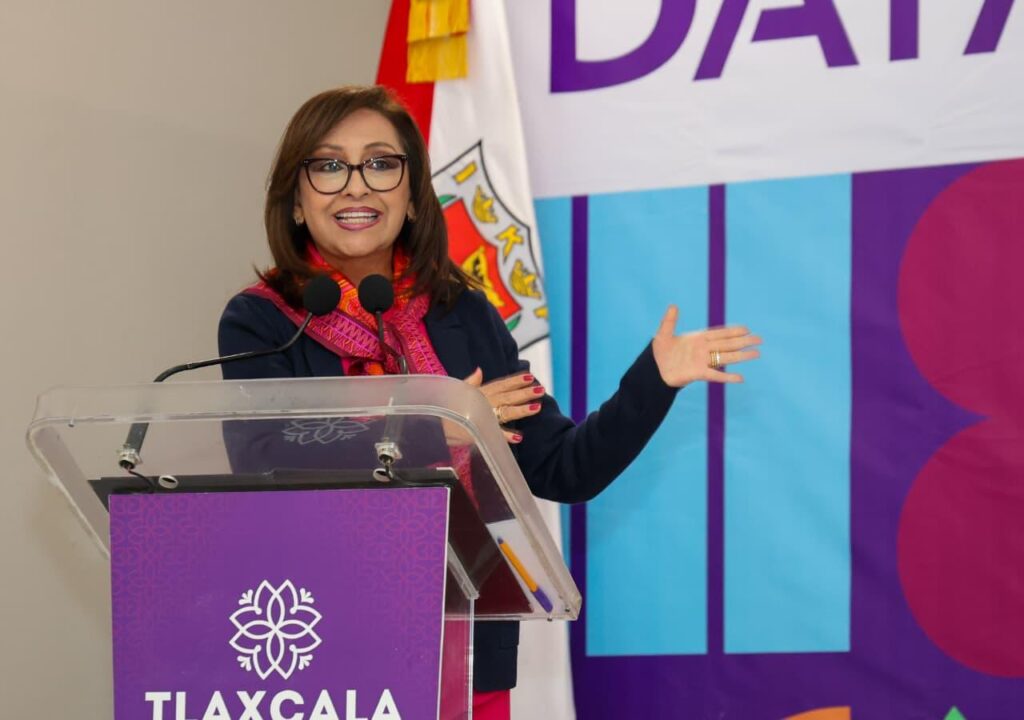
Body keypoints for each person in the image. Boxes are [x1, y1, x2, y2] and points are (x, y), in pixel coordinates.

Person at [218, 85, 761, 719]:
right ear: (296, 199)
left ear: (413, 198)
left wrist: (655, 380)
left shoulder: (462, 312)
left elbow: (563, 468)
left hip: (468, 640)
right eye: (330, 165)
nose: (356, 186)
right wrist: (441, 425)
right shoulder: (264, 320)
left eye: (382, 164)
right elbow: (263, 460)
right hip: (317, 645)